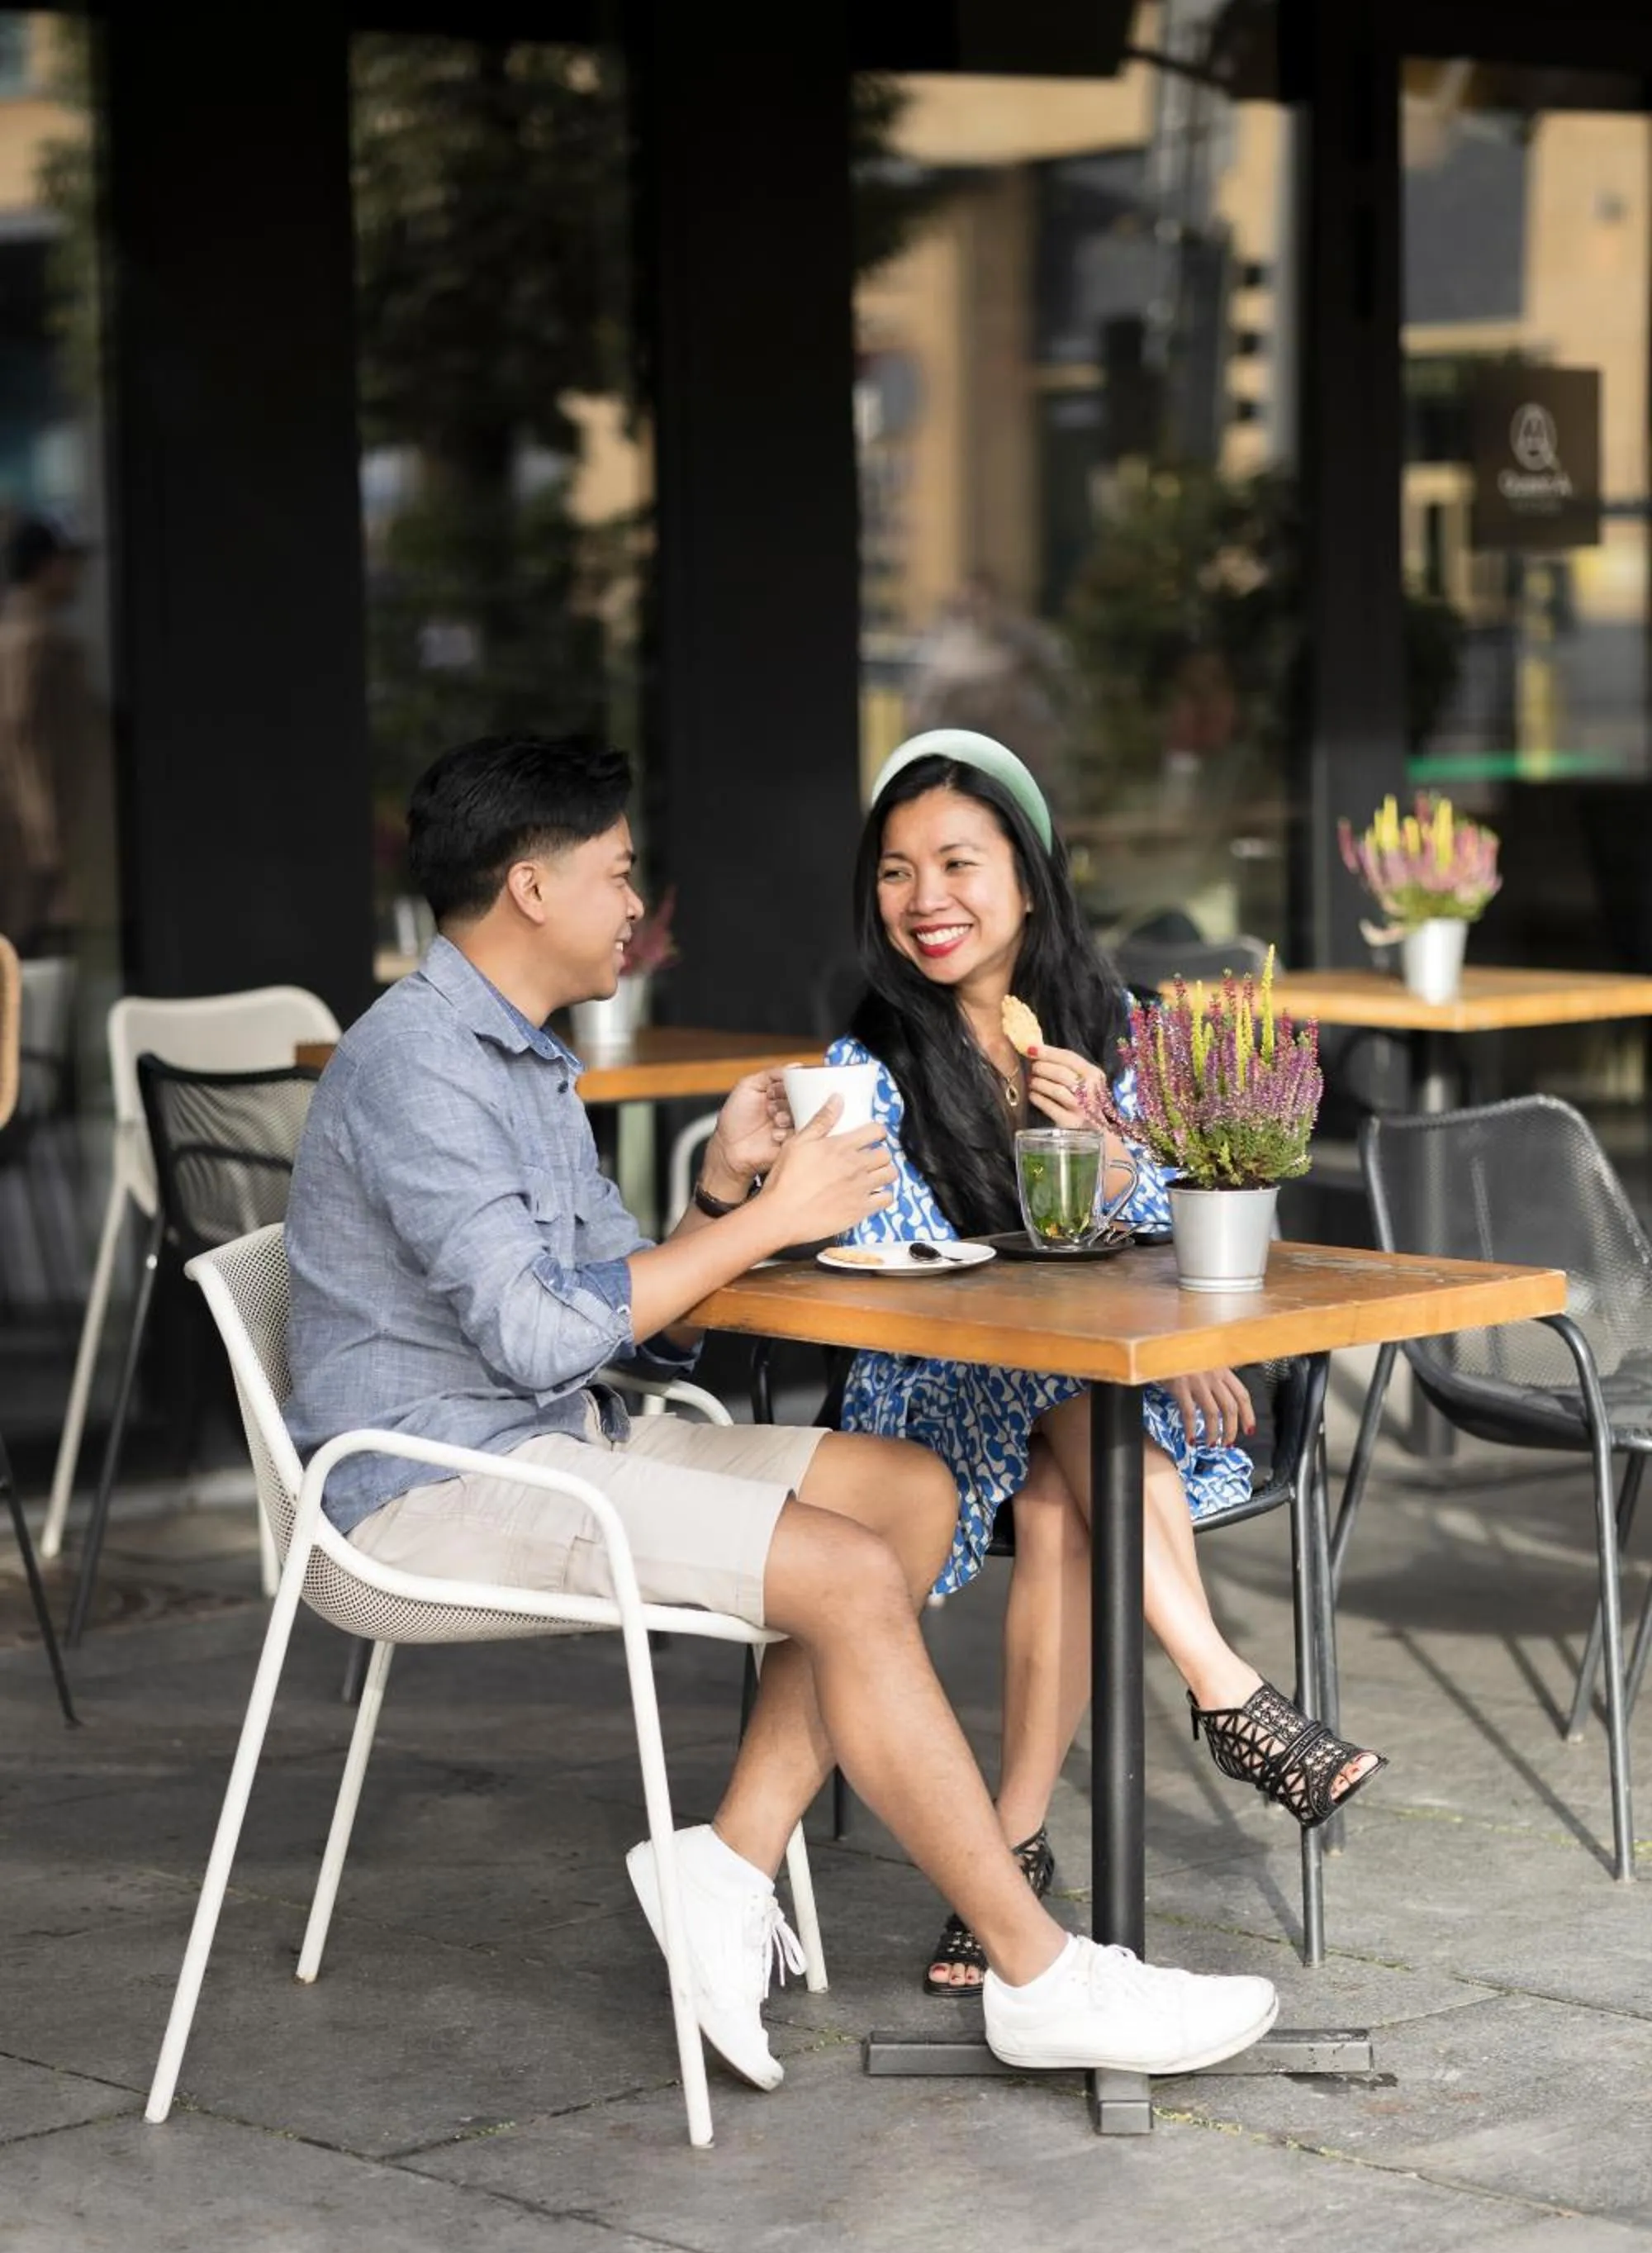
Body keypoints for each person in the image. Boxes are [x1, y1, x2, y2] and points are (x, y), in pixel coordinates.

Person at [282, 732, 1282, 2091]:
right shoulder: (417, 1066)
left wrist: (721, 1198)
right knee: (846, 1570)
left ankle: (727, 1862)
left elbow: (643, 1316)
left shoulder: (522, 1054)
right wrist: (774, 1224)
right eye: (621, 875)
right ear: (532, 887)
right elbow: (535, 1338)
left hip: (557, 1438)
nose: (639, 909)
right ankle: (1039, 1973)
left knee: (910, 1492)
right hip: (436, 1483)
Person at [826, 727, 1386, 1994]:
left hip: (1092, 1405)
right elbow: (905, 1263)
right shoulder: (868, 1066)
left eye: (957, 864)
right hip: (940, 1394)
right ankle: (1227, 1687)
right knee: (1086, 1401)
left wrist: (1115, 1158)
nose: (927, 901)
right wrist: (1127, 1330)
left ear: (1029, 878)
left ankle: (1013, 1844)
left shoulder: (1115, 1033)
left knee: (1065, 1497)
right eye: (897, 872)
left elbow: (1231, 1218)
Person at [0, 513, 93, 954]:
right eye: (68, 561)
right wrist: (45, 841)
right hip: (37, 846)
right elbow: (21, 740)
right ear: (46, 565)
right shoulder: (28, 642)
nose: (77, 574)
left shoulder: (42, 639)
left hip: (53, 838)